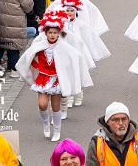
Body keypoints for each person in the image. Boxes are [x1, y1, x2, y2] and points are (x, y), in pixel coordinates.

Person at [16, 11, 93, 142]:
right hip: (43, 78)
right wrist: (29, 68)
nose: (52, 35)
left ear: (59, 33)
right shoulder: (40, 45)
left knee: (56, 106)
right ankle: (46, 123)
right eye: (50, 32)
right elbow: (28, 57)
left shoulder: (63, 46)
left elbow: (75, 56)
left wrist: (72, 71)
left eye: (55, 33)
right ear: (45, 33)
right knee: (42, 104)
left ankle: (57, 130)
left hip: (57, 79)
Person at [85, 102, 138, 166]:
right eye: (115, 119)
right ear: (107, 122)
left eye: (124, 119)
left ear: (128, 120)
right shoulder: (97, 143)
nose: (121, 123)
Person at [0, 0, 34, 77]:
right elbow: (29, 7)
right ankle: (13, 69)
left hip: (2, 20)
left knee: (3, 42)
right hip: (16, 22)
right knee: (14, 46)